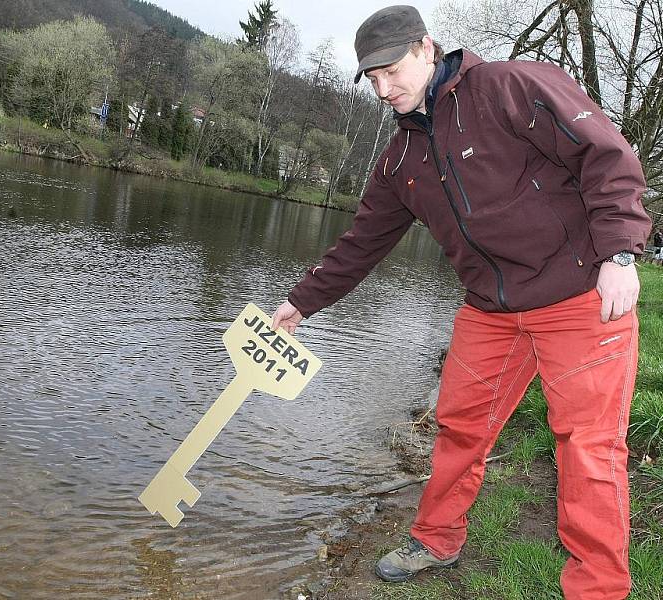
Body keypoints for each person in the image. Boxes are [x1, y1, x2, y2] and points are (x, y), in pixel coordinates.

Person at [271, 6, 651, 600]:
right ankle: (436, 538)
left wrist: (621, 254)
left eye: (391, 70)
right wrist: (300, 304)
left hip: (578, 297)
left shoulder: (510, 86)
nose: (384, 88)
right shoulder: (401, 158)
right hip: (491, 310)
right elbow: (361, 243)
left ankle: (597, 589)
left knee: (589, 448)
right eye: (371, 79)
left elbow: (607, 156)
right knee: (458, 429)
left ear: (426, 48)